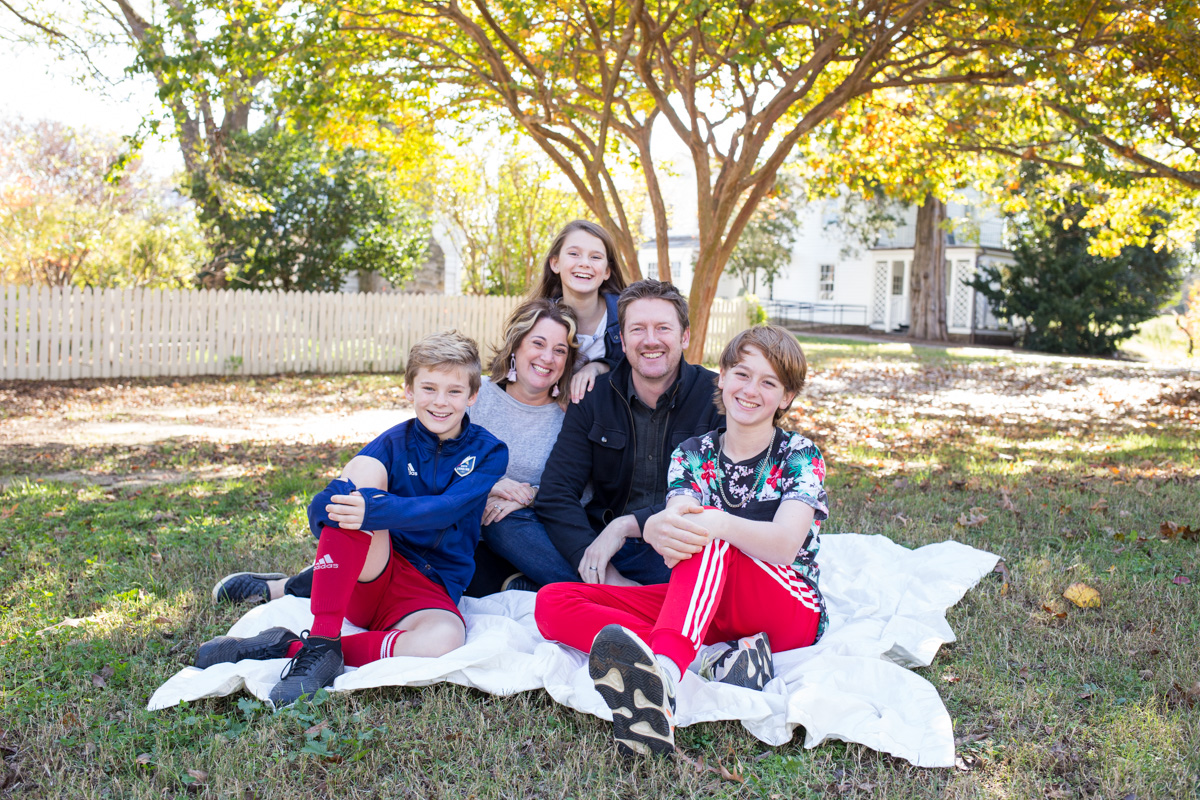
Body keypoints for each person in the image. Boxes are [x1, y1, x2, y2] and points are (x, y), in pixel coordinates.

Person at [534, 325, 829, 757]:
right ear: (721, 377)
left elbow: (785, 545)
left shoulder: (799, 453)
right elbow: (676, 526)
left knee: (706, 533)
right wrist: (664, 527)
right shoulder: (694, 453)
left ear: (786, 397)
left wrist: (714, 522)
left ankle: (663, 681)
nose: (751, 390)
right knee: (554, 602)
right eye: (742, 374)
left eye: (769, 383)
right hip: (709, 608)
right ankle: (712, 660)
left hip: (787, 606)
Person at [194, 331, 508, 706]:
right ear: (409, 390)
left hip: (431, 587)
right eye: (429, 388)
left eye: (454, 391)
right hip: (376, 568)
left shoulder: (489, 451)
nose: (440, 401)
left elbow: (449, 508)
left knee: (445, 640)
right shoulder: (393, 443)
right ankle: (323, 639)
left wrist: (374, 508)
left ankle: (290, 647)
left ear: (473, 395)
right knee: (361, 475)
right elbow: (322, 506)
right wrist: (341, 512)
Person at [532, 280, 724, 587]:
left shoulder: (717, 398)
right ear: (622, 340)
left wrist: (629, 525)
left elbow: (723, 496)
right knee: (508, 524)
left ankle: (582, 589)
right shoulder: (594, 398)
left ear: (685, 336)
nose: (650, 340)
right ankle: (611, 588)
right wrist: (598, 566)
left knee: (719, 564)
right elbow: (557, 492)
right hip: (604, 548)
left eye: (663, 328)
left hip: (678, 551)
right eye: (637, 329)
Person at [529, 220, 627, 403]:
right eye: (574, 254)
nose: (584, 263)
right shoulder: (536, 320)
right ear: (555, 263)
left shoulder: (627, 316)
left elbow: (642, 370)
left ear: (607, 271)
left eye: (595, 257)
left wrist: (600, 367)